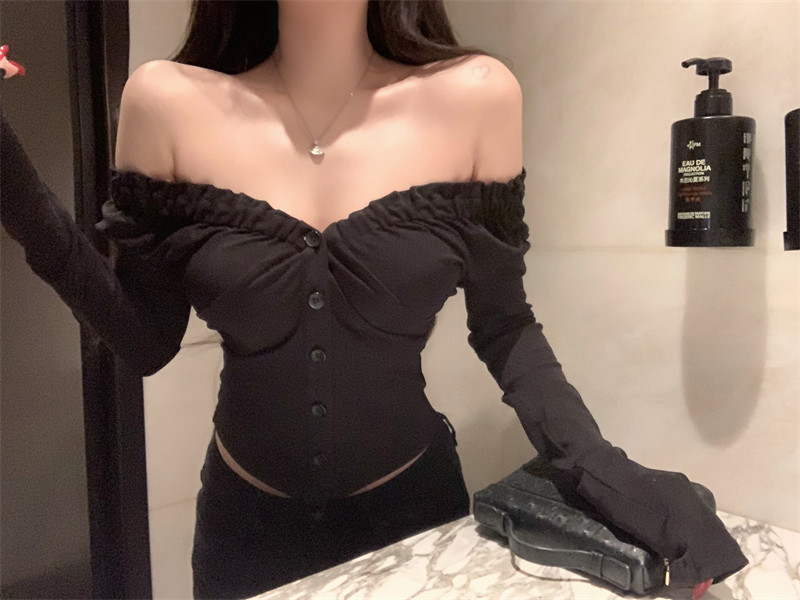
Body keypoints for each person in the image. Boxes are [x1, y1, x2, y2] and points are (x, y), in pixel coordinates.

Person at [1, 1, 747, 598]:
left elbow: (505, 326)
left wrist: (608, 473)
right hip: (242, 536)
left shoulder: (477, 95)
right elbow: (144, 339)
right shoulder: (167, 101)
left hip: (412, 521)